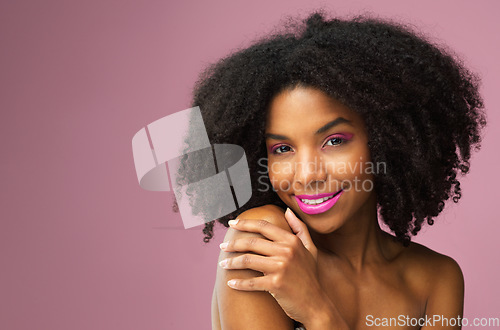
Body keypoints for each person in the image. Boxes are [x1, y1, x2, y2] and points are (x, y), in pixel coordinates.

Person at [173, 10, 486, 329]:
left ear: (385, 140)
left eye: (334, 141)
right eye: (282, 149)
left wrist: (316, 309)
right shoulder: (264, 244)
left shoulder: (437, 278)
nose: (307, 174)